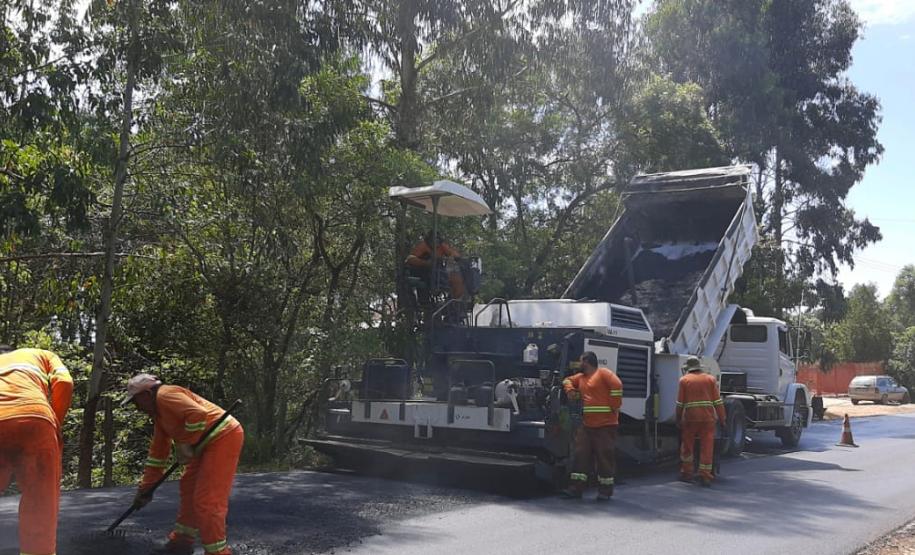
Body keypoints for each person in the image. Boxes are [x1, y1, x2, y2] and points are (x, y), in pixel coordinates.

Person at [124, 374, 244, 555]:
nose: (137, 408)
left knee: (207, 500)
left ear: (147, 394)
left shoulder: (165, 394)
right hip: (203, 444)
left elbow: (198, 413)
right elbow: (158, 455)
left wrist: (184, 443)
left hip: (223, 436)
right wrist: (146, 489)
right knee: (188, 488)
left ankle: (218, 552)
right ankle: (181, 543)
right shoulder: (160, 417)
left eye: (136, 402)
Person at [0, 344, 73, 555]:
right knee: (40, 501)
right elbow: (65, 382)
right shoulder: (41, 354)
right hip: (35, 421)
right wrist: (55, 422)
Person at [561, 351, 624, 500]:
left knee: (604, 458)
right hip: (587, 425)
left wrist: (615, 405)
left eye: (580, 361)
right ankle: (576, 489)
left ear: (587, 362)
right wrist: (570, 390)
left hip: (605, 425)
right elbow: (566, 380)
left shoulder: (603, 373)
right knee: (580, 455)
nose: (578, 364)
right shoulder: (581, 378)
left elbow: (617, 385)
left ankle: (605, 492)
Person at [676, 356, 727, 487]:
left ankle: (687, 473)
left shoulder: (684, 380)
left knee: (688, 446)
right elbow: (718, 402)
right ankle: (705, 475)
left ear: (688, 368)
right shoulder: (710, 379)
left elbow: (680, 403)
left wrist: (678, 418)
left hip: (691, 419)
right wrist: (722, 419)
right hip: (708, 419)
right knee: (707, 447)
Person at [405, 231, 465, 299]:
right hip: (422, 272)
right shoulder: (423, 246)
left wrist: (451, 257)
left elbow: (455, 254)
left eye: (437, 239)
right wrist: (426, 263)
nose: (436, 241)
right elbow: (410, 259)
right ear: (429, 239)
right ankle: (424, 303)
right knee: (424, 284)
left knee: (454, 278)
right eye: (434, 239)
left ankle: (453, 299)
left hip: (438, 273)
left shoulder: (442, 246)